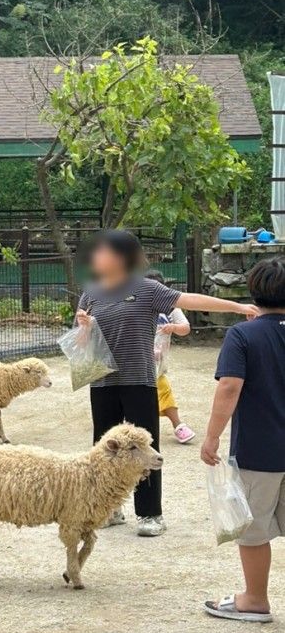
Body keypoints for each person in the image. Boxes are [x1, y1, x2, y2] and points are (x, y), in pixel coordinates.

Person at [76, 230, 258, 537]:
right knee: (104, 448)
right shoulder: (90, 293)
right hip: (102, 382)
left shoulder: (146, 288)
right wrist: (84, 326)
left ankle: (150, 514)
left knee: (145, 449)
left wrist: (239, 308)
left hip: (140, 379)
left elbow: (190, 299)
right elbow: (81, 344)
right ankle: (108, 508)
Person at [201, 257, 285, 623]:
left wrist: (211, 437)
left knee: (252, 530)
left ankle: (254, 599)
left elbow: (229, 388)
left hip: (259, 451)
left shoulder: (243, 335)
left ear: (253, 291)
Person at [146, 270, 195, 443]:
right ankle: (178, 426)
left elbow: (186, 328)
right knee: (160, 391)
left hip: (158, 365)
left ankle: (177, 427)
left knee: (159, 391)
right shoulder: (138, 306)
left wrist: (173, 327)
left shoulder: (172, 308)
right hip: (140, 363)